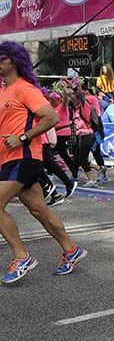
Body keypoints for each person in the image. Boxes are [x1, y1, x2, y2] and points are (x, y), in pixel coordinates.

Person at [0, 41, 87, 284]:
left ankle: (22, 256)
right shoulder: (4, 90)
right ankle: (71, 250)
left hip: (24, 157)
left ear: (14, 62)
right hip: (8, 159)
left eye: (2, 58)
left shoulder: (26, 89)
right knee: (39, 209)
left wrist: (23, 137)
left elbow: (49, 118)